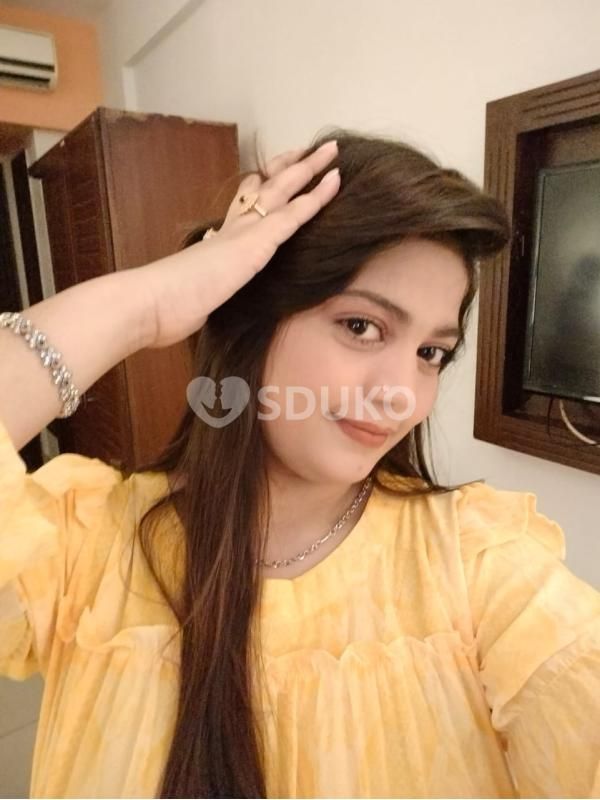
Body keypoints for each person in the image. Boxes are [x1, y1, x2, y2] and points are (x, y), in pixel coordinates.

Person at [0, 131, 598, 799]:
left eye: (431, 353)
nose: (401, 394)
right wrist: (148, 304)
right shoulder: (87, 548)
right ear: (253, 321)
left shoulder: (477, 564)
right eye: (361, 326)